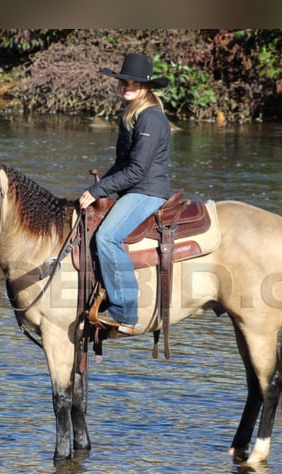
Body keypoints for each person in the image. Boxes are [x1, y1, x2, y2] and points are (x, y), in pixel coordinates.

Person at [79, 53, 173, 336]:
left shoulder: (151, 119)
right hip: (134, 186)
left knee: (108, 237)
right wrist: (97, 191)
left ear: (146, 86)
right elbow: (121, 165)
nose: (127, 87)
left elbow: (137, 171)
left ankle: (125, 312)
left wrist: (98, 189)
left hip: (147, 190)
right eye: (124, 82)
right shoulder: (132, 114)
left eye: (134, 83)